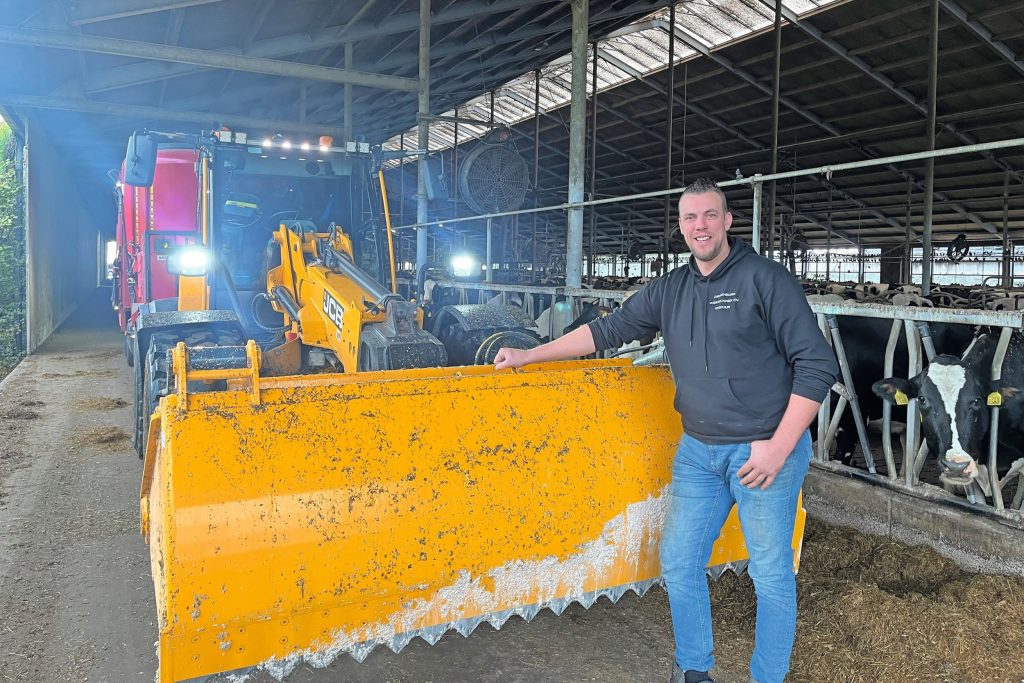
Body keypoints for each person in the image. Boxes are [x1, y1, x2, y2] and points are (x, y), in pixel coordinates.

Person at [493, 178, 837, 683]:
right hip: (698, 451)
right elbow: (606, 330)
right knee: (678, 563)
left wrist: (779, 447)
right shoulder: (671, 288)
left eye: (709, 215)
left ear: (728, 221)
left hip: (762, 453)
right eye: (690, 218)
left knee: (770, 576)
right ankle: (694, 671)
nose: (700, 226)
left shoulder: (765, 279)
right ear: (681, 226)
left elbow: (817, 364)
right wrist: (529, 355)